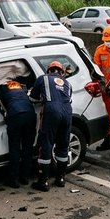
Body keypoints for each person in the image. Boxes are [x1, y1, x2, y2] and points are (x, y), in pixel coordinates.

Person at [30, 61, 72, 191]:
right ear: (61, 72)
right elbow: (68, 98)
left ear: (49, 70)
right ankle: (60, 178)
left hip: (51, 110)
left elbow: (33, 98)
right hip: (67, 111)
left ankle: (43, 181)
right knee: (63, 143)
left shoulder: (43, 79)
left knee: (46, 143)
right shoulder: (68, 83)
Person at [0, 79, 37, 188]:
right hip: (30, 115)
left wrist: (7, 118)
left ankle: (13, 179)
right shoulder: (22, 89)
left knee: (15, 148)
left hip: (16, 116)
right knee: (28, 148)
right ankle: (25, 177)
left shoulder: (1, 89)